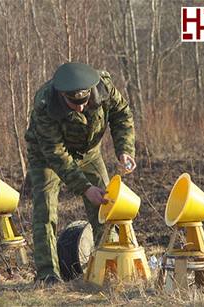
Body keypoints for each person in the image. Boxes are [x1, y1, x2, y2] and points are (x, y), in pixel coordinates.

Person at [25, 62, 136, 284]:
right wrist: (85, 188)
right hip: (47, 157)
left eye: (84, 102)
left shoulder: (104, 87)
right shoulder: (45, 103)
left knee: (107, 204)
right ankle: (47, 274)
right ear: (63, 95)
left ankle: (110, 266)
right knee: (45, 210)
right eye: (74, 103)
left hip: (89, 153)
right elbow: (57, 154)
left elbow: (122, 115)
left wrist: (124, 150)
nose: (81, 108)